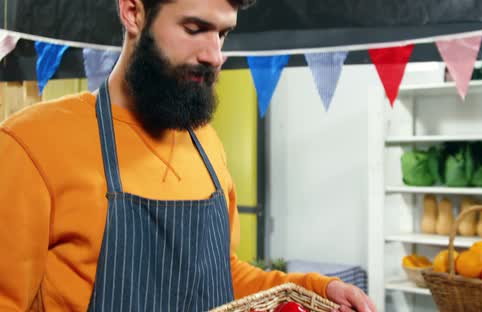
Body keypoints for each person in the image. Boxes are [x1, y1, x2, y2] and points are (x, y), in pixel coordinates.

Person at [0, 0, 377, 311]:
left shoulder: (206, 143)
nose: (214, 55)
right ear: (133, 12)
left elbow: (222, 279)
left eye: (223, 33)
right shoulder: (32, 144)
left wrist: (313, 288)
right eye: (194, 29)